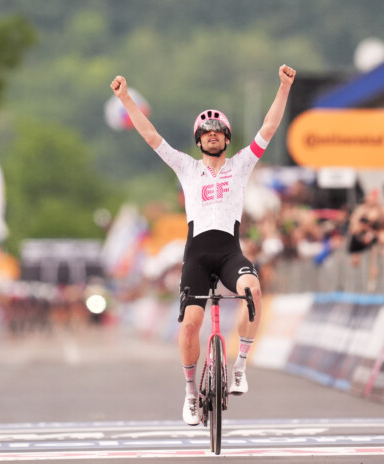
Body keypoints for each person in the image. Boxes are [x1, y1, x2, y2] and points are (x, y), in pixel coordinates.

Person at [110, 65, 296, 426]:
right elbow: (150, 135)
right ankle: (191, 393)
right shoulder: (186, 167)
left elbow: (270, 127)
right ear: (198, 141)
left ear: (227, 138)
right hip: (196, 255)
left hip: (229, 253)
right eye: (206, 132)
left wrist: (284, 87)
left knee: (254, 291)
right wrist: (126, 98)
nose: (212, 136)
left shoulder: (242, 164)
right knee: (191, 324)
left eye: (218, 132)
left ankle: (239, 367)